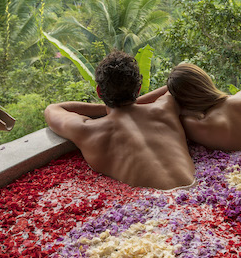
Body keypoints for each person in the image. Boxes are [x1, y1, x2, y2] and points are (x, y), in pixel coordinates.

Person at [44, 50, 195, 190]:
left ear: (99, 92)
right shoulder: (165, 108)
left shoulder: (87, 131)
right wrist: (134, 103)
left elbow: (52, 109)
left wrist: (111, 107)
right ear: (138, 89)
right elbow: (185, 79)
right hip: (197, 192)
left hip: (150, 208)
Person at [166, 63, 241, 152]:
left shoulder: (196, 125)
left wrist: (173, 89)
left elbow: (161, 104)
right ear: (206, 80)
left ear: (182, 99)